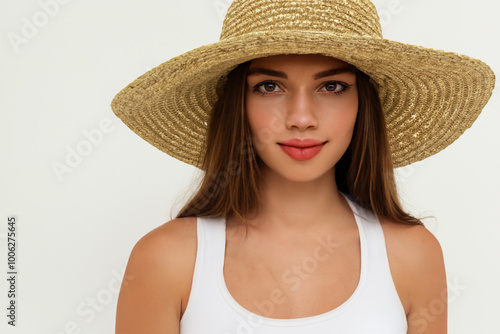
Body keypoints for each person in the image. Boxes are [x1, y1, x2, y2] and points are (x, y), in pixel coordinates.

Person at [111, 0, 495, 333]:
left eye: (331, 87)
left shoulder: (413, 256)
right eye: (269, 86)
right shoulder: (165, 260)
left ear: (363, 104)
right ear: (237, 104)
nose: (300, 118)